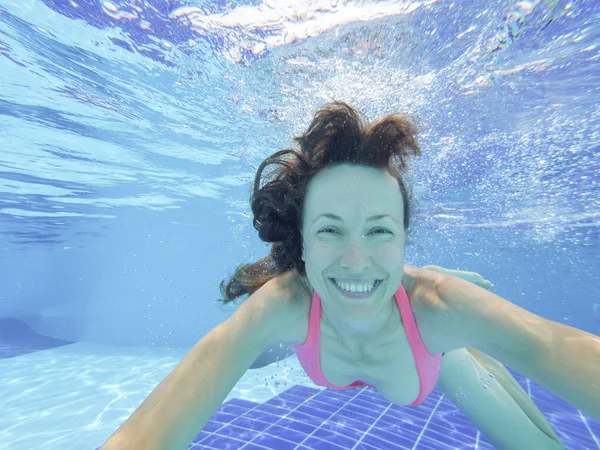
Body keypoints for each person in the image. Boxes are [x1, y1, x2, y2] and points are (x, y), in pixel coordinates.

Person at [102, 101, 600, 450]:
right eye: (330, 230)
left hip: (423, 340)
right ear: (301, 240)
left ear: (405, 237)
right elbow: (185, 393)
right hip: (367, 306)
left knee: (528, 440)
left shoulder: (441, 309)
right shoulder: (283, 302)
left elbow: (549, 346)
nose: (356, 259)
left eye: (381, 231)